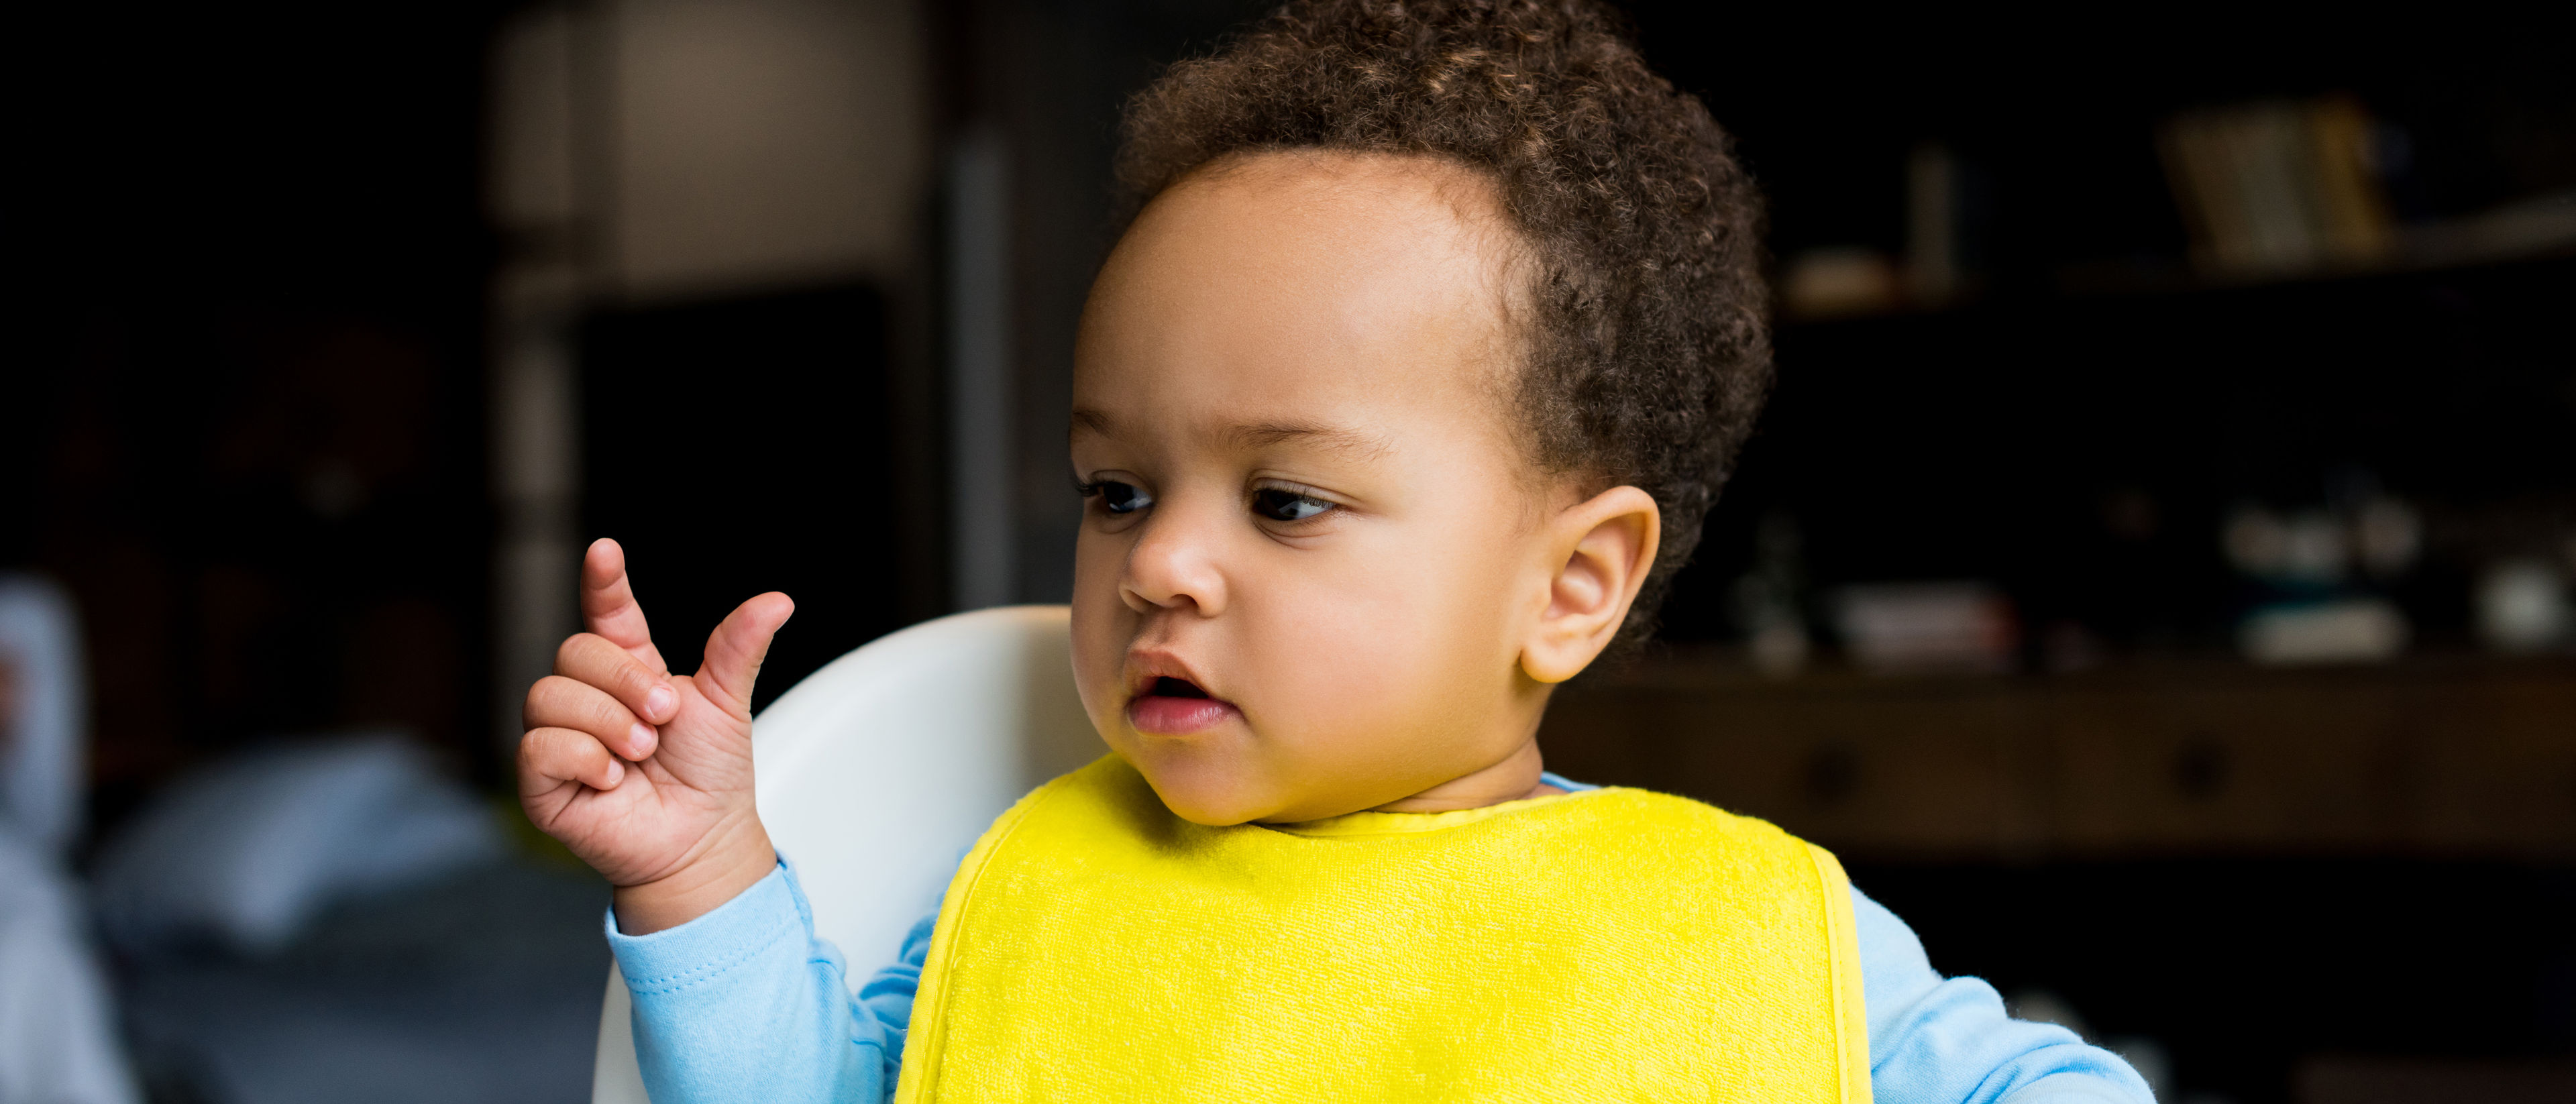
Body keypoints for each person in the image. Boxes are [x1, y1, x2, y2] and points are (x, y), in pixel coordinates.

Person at [519, 3, 2156, 1101]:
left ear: (1570, 585)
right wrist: (697, 879)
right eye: (1117, 491)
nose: (1162, 566)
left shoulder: (1737, 926)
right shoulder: (1025, 896)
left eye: (1285, 501)